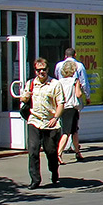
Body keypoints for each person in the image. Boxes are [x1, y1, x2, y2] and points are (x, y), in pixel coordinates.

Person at [19, 58, 65, 189]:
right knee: (33, 150)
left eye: (44, 69)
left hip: (50, 123)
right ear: (35, 71)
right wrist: (25, 96)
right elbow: (23, 99)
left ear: (48, 69)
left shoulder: (55, 84)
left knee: (50, 151)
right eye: (39, 70)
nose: (41, 72)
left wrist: (55, 118)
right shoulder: (30, 84)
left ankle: (54, 170)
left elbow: (61, 103)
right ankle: (35, 180)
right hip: (34, 121)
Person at [55, 48, 89, 154]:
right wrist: (87, 96)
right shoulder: (78, 70)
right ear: (75, 54)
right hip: (72, 104)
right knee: (69, 130)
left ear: (65, 55)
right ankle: (62, 150)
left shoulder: (59, 71)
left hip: (62, 103)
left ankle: (76, 151)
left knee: (71, 129)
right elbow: (83, 83)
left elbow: (56, 77)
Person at [57, 59, 84, 163]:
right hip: (71, 107)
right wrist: (80, 89)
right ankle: (59, 153)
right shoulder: (75, 81)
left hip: (63, 107)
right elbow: (79, 94)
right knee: (67, 132)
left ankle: (78, 152)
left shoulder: (59, 82)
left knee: (74, 131)